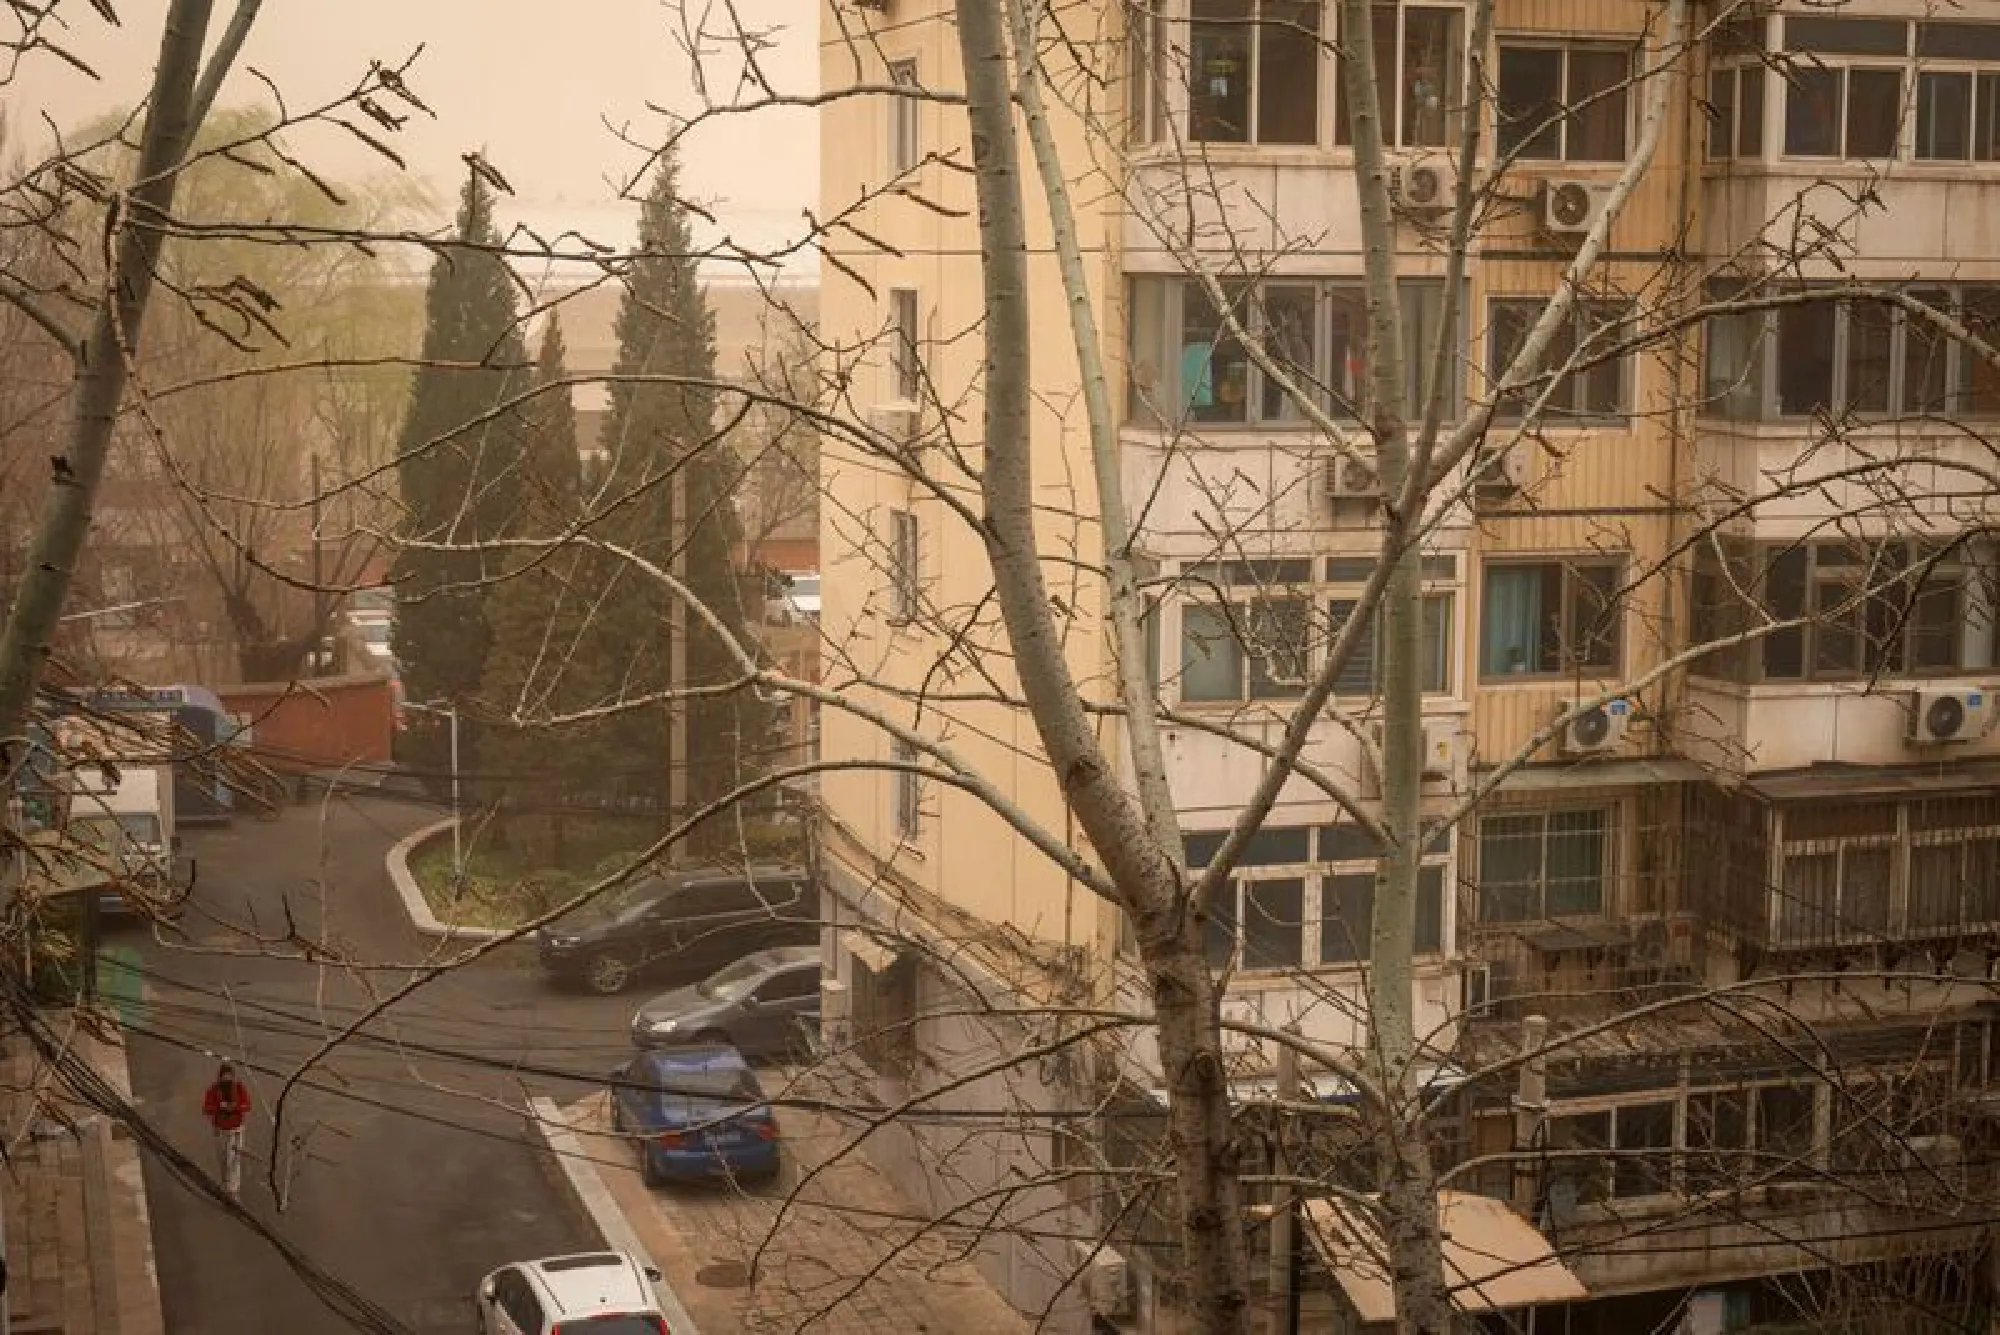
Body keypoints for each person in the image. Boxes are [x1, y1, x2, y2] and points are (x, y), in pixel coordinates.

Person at [201, 1061, 250, 1198]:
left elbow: (247, 1105)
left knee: (235, 1159)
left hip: (236, 1130)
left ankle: (234, 1190)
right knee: (224, 1160)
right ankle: (226, 1184)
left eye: (230, 1077)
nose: (227, 1080)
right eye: (225, 1077)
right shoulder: (213, 1090)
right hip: (220, 1131)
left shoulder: (239, 1088)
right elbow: (207, 1108)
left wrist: (235, 1107)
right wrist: (219, 1107)